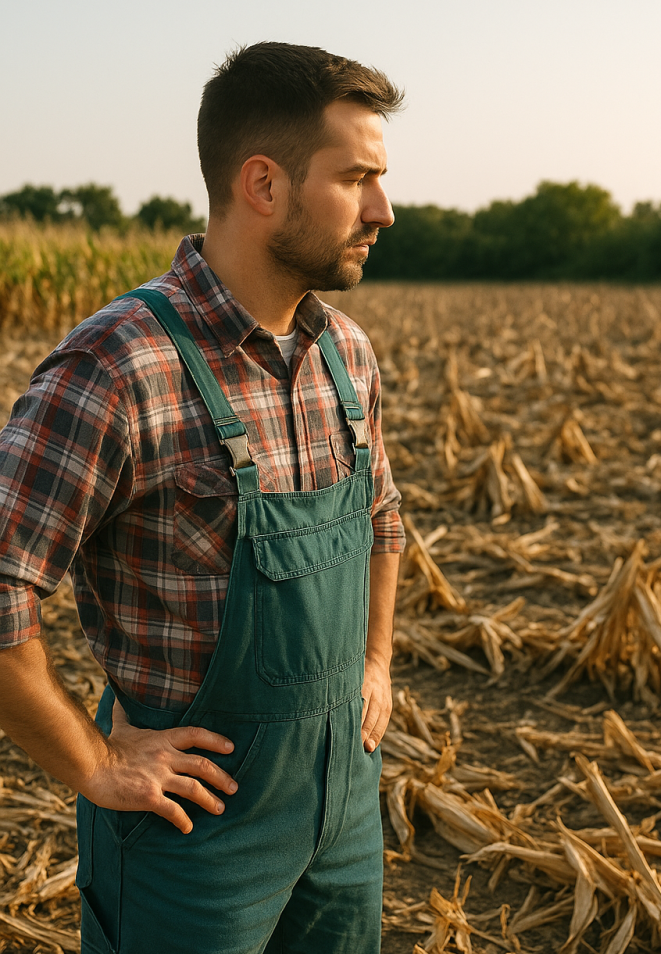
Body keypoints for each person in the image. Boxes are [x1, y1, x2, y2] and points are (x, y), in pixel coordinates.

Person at [0, 42, 405, 954]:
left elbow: (382, 521)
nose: (386, 208)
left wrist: (375, 662)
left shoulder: (346, 353)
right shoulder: (120, 365)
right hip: (197, 836)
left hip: (345, 815)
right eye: (359, 179)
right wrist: (96, 761)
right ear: (264, 184)